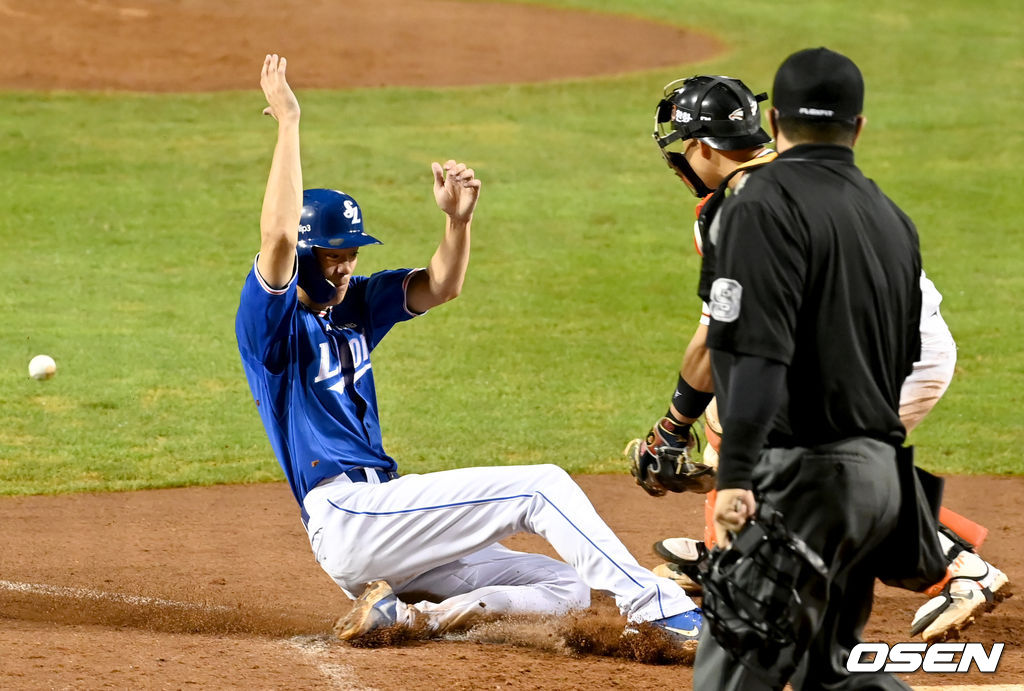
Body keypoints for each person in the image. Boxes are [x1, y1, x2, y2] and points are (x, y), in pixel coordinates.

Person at [235, 54, 703, 645]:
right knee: (541, 485)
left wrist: (458, 223)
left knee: (566, 587)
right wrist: (289, 121)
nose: (348, 266)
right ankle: (657, 608)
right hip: (349, 516)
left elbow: (441, 285)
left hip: (390, 529)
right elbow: (278, 234)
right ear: (304, 258)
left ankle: (413, 618)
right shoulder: (270, 326)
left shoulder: (354, 306)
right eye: (334, 256)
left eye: (352, 254)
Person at [629, 72, 1008, 643]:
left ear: (702, 146)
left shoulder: (733, 210)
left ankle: (958, 570)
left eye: (684, 146)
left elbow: (714, 341)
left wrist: (670, 428)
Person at [688, 46, 933, 689]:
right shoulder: (892, 219)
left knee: (731, 676)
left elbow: (756, 351)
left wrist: (735, 476)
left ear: (773, 123)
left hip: (803, 480)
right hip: (880, 479)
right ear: (859, 126)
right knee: (831, 676)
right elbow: (903, 356)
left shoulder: (758, 205)